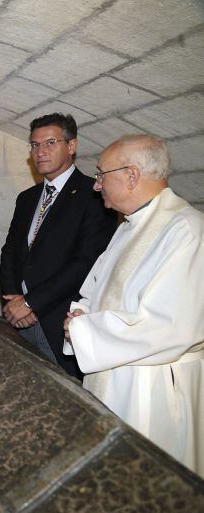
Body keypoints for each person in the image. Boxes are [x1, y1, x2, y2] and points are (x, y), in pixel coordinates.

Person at [64, 135, 203, 477]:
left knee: (146, 478)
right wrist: (81, 314)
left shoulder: (186, 230)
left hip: (153, 386)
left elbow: (169, 326)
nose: (97, 186)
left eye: (101, 175)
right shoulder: (129, 226)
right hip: (116, 374)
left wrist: (84, 329)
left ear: (131, 175)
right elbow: (98, 288)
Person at [0, 113, 116, 378]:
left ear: (71, 146)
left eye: (50, 143)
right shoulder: (27, 198)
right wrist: (12, 298)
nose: (40, 152)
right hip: (18, 318)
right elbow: (10, 253)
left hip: (60, 321)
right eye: (34, 145)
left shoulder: (93, 195)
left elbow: (86, 263)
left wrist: (31, 304)